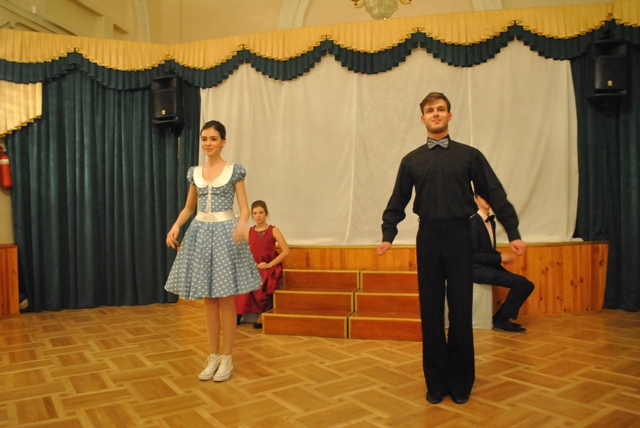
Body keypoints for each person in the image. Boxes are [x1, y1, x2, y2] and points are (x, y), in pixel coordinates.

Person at [376, 92, 527, 405]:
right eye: (430, 110)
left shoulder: (469, 156)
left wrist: (512, 230)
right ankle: (435, 383)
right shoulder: (411, 160)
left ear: (449, 115)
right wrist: (388, 234)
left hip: (460, 237)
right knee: (431, 312)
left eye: (441, 109)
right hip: (428, 237)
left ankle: (461, 383)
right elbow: (397, 201)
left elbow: (494, 192)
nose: (435, 113)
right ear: (422, 118)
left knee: (460, 312)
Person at [165, 120, 261, 382]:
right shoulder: (195, 173)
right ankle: (213, 356)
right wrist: (176, 226)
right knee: (208, 300)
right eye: (204, 138)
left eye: (213, 138)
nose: (208, 143)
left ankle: (227, 357)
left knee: (225, 299)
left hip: (224, 234)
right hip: (201, 233)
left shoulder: (233, 171)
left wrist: (241, 223)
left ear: (223, 142)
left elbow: (244, 207)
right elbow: (189, 207)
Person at [471, 194, 534, 333]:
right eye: (482, 196)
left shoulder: (491, 222)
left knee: (527, 285)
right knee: (521, 283)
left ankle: (500, 318)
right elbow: (473, 255)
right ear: (476, 199)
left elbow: (487, 250)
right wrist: (500, 258)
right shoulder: (472, 222)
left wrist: (501, 257)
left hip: (488, 266)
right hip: (475, 269)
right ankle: (501, 320)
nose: (487, 199)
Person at [235, 200, 290, 329]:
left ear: (266, 214)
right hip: (254, 266)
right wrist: (253, 264)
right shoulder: (249, 231)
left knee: (263, 281)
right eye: (255, 213)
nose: (258, 215)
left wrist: (270, 264)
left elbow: (286, 251)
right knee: (243, 280)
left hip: (270, 267)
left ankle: (262, 315)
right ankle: (238, 313)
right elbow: (243, 251)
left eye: (261, 212)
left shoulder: (273, 230)